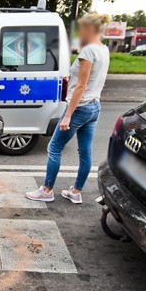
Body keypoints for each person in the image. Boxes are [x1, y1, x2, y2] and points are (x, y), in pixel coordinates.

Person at [26, 12, 111, 204]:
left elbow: (81, 86)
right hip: (94, 106)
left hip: (80, 108)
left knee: (54, 148)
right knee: (85, 151)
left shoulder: (88, 51)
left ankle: (47, 190)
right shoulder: (103, 49)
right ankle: (75, 191)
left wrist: (67, 116)